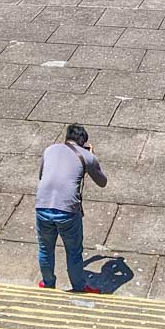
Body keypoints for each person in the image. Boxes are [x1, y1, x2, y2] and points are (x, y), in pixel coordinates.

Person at [35, 123, 107, 294]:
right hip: (67, 211)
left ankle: (48, 283)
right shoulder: (87, 156)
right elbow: (102, 182)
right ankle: (79, 287)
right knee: (73, 252)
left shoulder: (49, 150)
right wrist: (91, 158)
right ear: (82, 140)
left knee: (45, 249)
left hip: (42, 205)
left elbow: (42, 175)